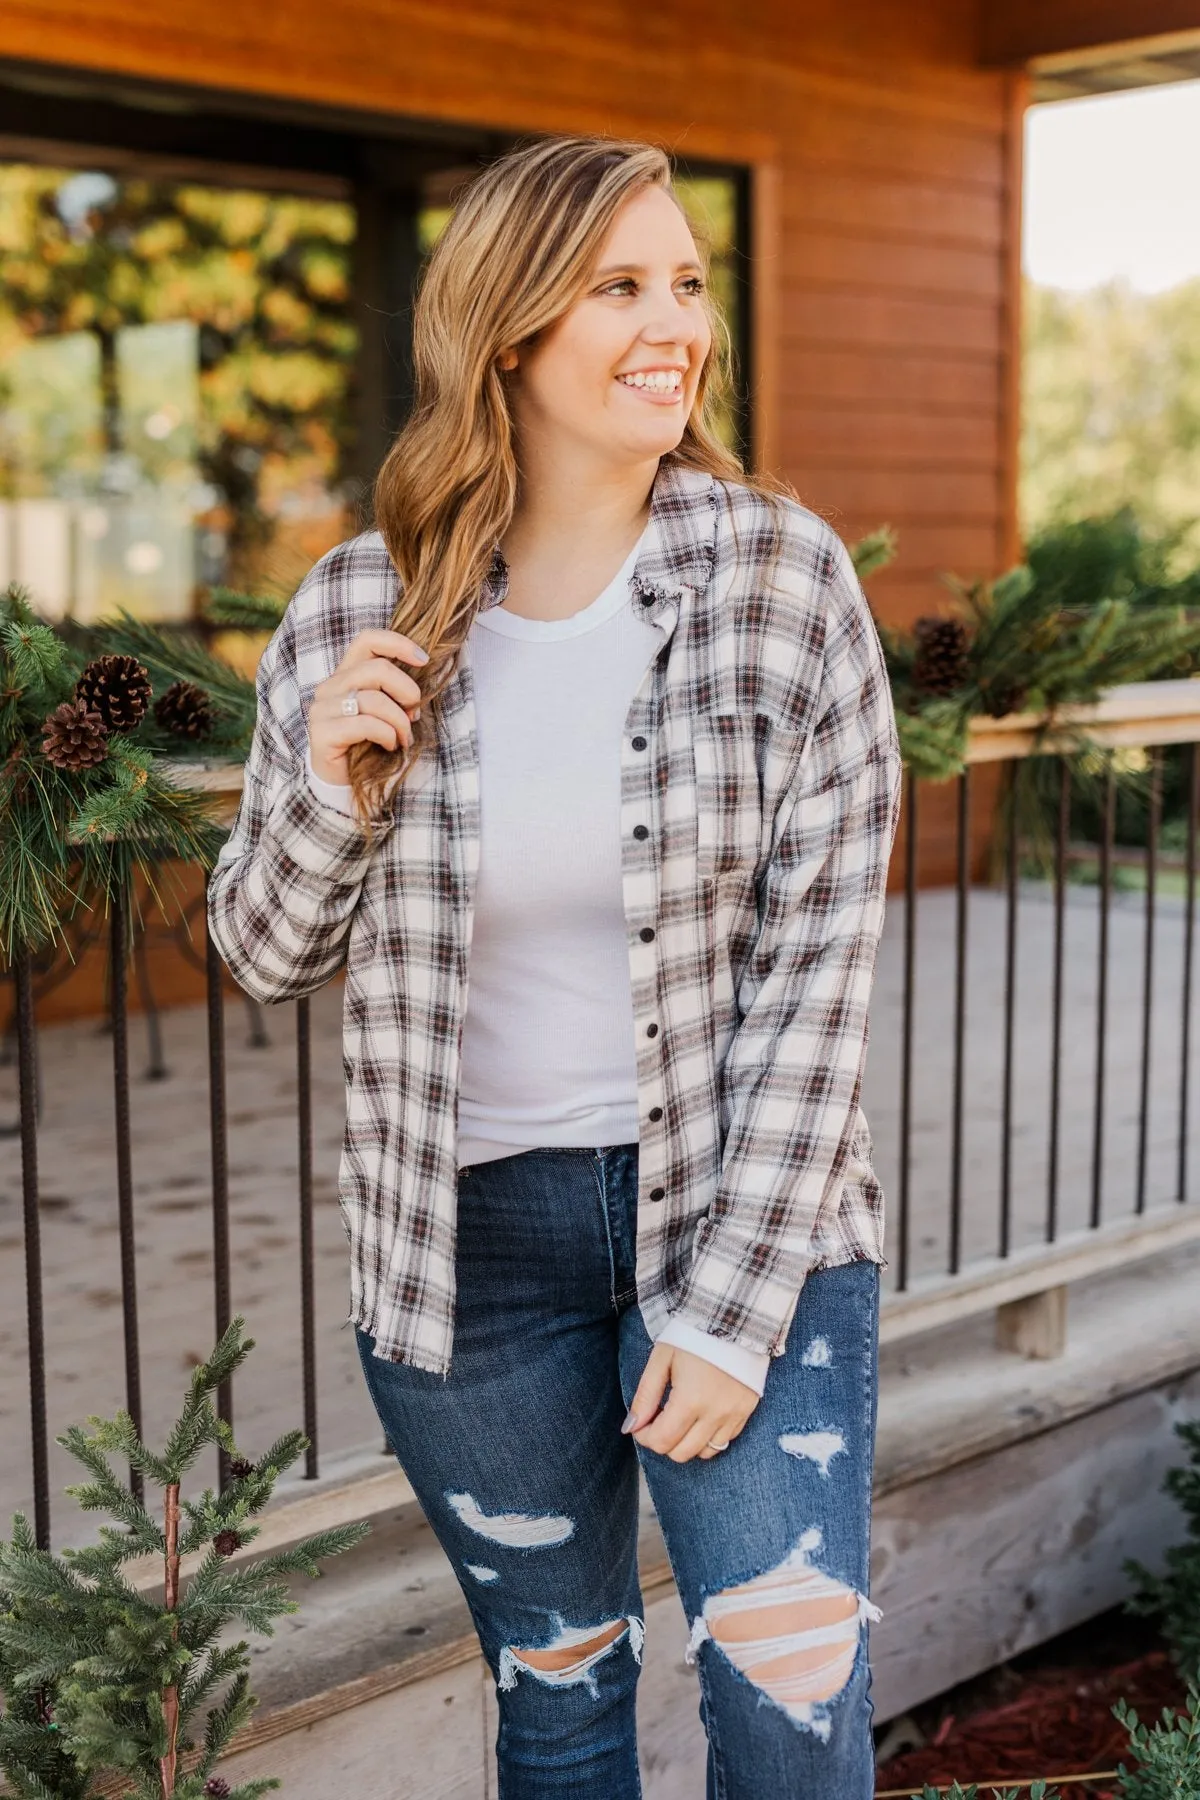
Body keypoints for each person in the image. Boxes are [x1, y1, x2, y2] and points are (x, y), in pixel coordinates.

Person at [208, 133, 902, 1800]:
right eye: (620, 286)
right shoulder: (360, 605)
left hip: (747, 1222)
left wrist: (732, 1315)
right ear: (509, 330)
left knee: (791, 1713)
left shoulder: (781, 579)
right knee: (561, 1703)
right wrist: (323, 792)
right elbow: (262, 951)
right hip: (468, 1260)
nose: (675, 322)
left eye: (687, 282)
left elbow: (822, 977)